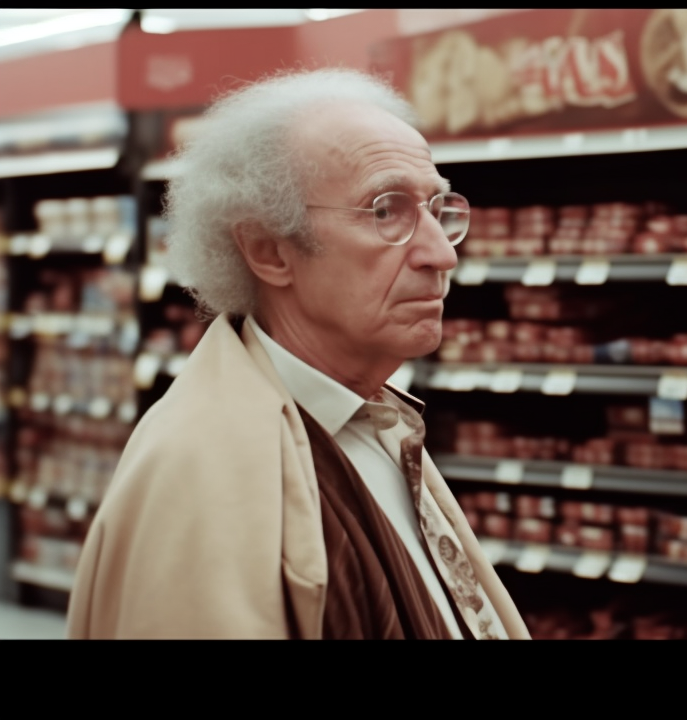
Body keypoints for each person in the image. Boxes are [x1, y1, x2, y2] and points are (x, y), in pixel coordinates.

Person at [67, 69, 528, 640]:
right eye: (386, 211)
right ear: (268, 251)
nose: (441, 254)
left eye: (438, 209)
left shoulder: (370, 419)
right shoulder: (201, 475)